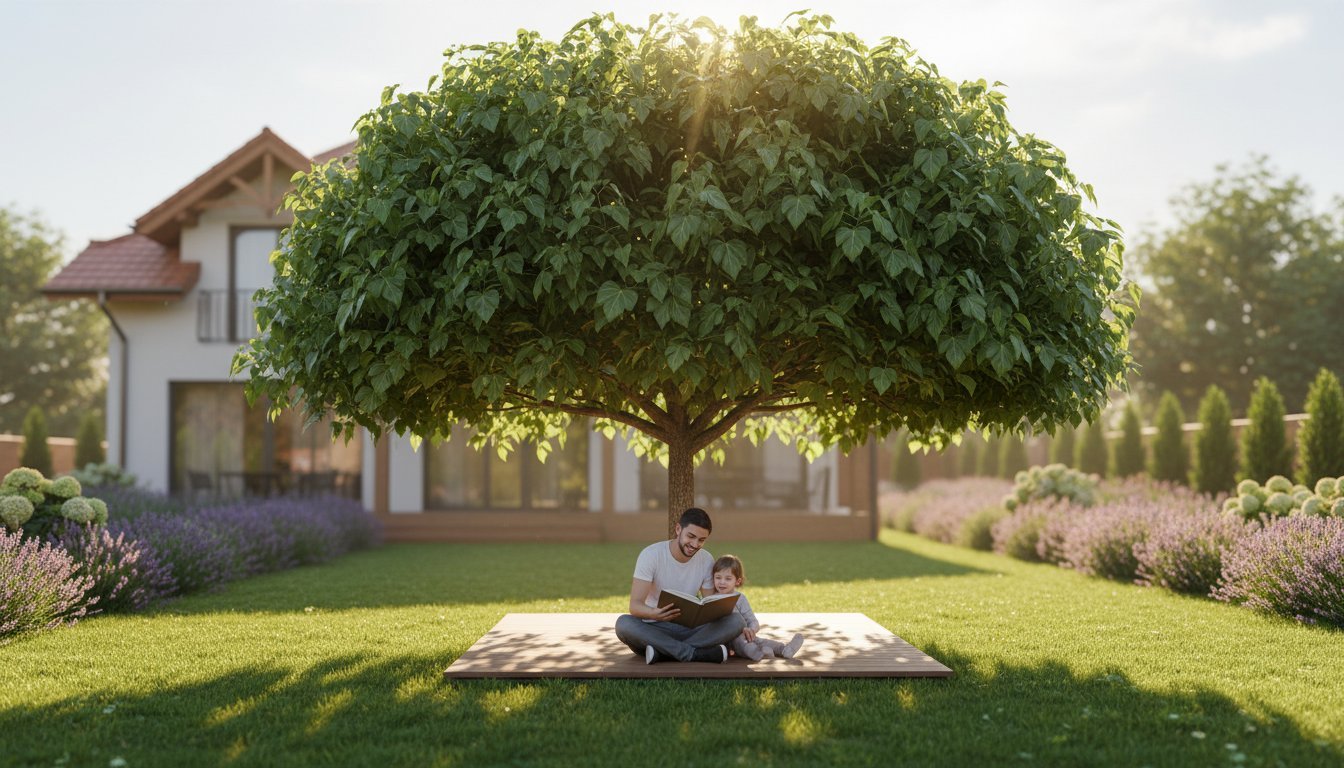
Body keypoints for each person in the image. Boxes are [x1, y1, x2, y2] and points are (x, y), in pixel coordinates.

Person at [613, 507, 746, 664]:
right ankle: (694, 654)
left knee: (737, 621)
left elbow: (710, 602)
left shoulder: (706, 559)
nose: (695, 544)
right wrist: (654, 613)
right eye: (691, 536)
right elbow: (635, 606)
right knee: (624, 624)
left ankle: (663, 652)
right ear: (678, 529)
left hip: (692, 630)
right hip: (655, 628)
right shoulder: (651, 555)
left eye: (701, 540)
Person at [711, 554, 804, 661]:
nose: (722, 582)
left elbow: (753, 620)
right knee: (741, 642)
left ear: (737, 581)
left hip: (747, 635)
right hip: (729, 641)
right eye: (718, 577)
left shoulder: (740, 598)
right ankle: (760, 652)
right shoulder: (711, 599)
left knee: (760, 641)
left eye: (728, 579)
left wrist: (751, 630)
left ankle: (785, 649)